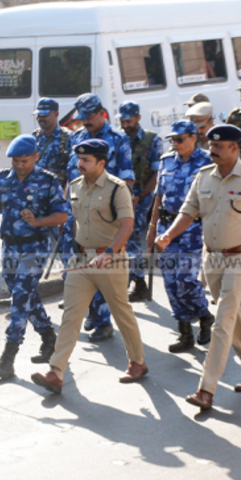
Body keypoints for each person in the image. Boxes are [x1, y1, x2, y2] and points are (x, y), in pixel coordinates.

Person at [156, 124, 241, 411]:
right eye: (211, 146)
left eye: (218, 146)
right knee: (231, 316)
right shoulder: (203, 177)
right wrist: (168, 235)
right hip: (211, 257)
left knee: (222, 321)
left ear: (234, 148)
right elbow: (188, 212)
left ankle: (206, 389)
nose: (212, 150)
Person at [32, 139, 148, 393]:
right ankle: (56, 372)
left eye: (85, 160)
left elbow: (127, 225)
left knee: (121, 313)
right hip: (82, 260)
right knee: (71, 316)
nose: (79, 164)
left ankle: (137, 362)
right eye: (78, 159)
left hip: (111, 261)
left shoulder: (118, 189)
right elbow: (73, 222)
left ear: (101, 163)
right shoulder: (74, 186)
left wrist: (109, 252)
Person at [0, 135, 70, 378]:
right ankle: (49, 338)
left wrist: (38, 221)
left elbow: (62, 216)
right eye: (15, 160)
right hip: (9, 248)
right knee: (25, 295)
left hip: (34, 248)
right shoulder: (3, 179)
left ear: (35, 157)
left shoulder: (48, 181)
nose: (19, 165)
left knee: (18, 300)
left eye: (24, 161)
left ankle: (8, 357)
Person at [62, 93, 135, 342]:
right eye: (82, 118)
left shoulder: (118, 138)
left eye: (89, 117)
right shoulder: (77, 137)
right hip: (78, 212)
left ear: (101, 113)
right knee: (77, 265)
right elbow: (70, 175)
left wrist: (119, 211)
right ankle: (93, 310)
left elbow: (127, 177)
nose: (85, 122)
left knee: (102, 265)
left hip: (105, 214)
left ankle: (104, 321)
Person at [146, 121, 215, 353]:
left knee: (186, 279)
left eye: (180, 139)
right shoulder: (166, 161)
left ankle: (205, 316)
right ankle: (185, 332)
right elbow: (158, 198)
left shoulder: (208, 162)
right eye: (172, 140)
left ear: (193, 137)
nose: (175, 144)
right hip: (166, 228)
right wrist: (152, 228)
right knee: (171, 282)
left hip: (193, 229)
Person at [119, 100, 164, 302]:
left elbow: (157, 174)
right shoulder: (119, 138)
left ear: (138, 118)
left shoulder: (152, 140)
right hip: (121, 195)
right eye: (123, 121)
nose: (126, 125)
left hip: (142, 196)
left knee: (132, 237)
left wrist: (141, 195)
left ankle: (138, 281)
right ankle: (129, 279)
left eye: (129, 121)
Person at [32, 98, 72, 186]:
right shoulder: (35, 136)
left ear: (56, 114)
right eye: (39, 115)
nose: (40, 119)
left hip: (57, 191)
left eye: (45, 115)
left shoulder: (67, 137)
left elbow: (72, 169)